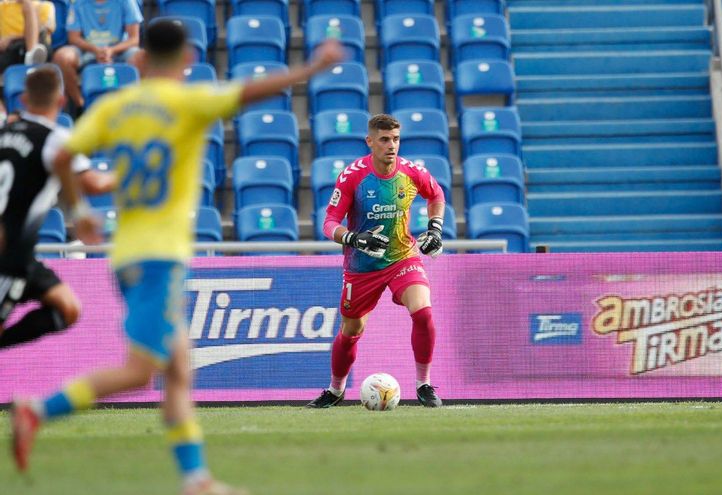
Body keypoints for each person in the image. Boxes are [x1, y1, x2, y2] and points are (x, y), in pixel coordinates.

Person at [10, 20, 344, 495]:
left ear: (139, 58)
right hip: (160, 256)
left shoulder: (118, 107)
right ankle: (37, 410)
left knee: (179, 371)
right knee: (140, 371)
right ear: (187, 59)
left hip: (126, 252)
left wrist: (80, 212)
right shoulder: (189, 101)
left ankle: (197, 480)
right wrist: (312, 66)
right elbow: (252, 90)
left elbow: (63, 157)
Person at [306, 114, 446, 409]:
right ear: (370, 142)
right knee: (351, 331)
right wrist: (355, 238)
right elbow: (329, 223)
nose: (391, 145)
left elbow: (436, 195)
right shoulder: (353, 176)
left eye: (395, 139)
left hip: (402, 258)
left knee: (423, 312)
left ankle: (424, 385)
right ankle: (335, 389)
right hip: (362, 267)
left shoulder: (412, 172)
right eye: (384, 139)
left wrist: (435, 227)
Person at [0, 66, 114, 350]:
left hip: (22, 258)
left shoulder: (4, 133)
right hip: (7, 254)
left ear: (24, 99)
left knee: (68, 308)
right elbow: (94, 184)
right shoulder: (53, 139)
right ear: (61, 101)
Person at [51, 0, 142, 109]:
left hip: (120, 50)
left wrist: (112, 50)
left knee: (141, 58)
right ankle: (81, 104)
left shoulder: (127, 2)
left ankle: (137, 106)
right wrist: (95, 50)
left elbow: (134, 39)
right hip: (86, 50)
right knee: (62, 57)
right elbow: (73, 38)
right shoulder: (77, 3)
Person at [0, 0, 54, 70]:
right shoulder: (3, 6)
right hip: (11, 49)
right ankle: (31, 59)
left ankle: (31, 54)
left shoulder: (45, 6)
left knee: (29, 7)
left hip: (39, 46)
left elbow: (42, 32)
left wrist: (12, 38)